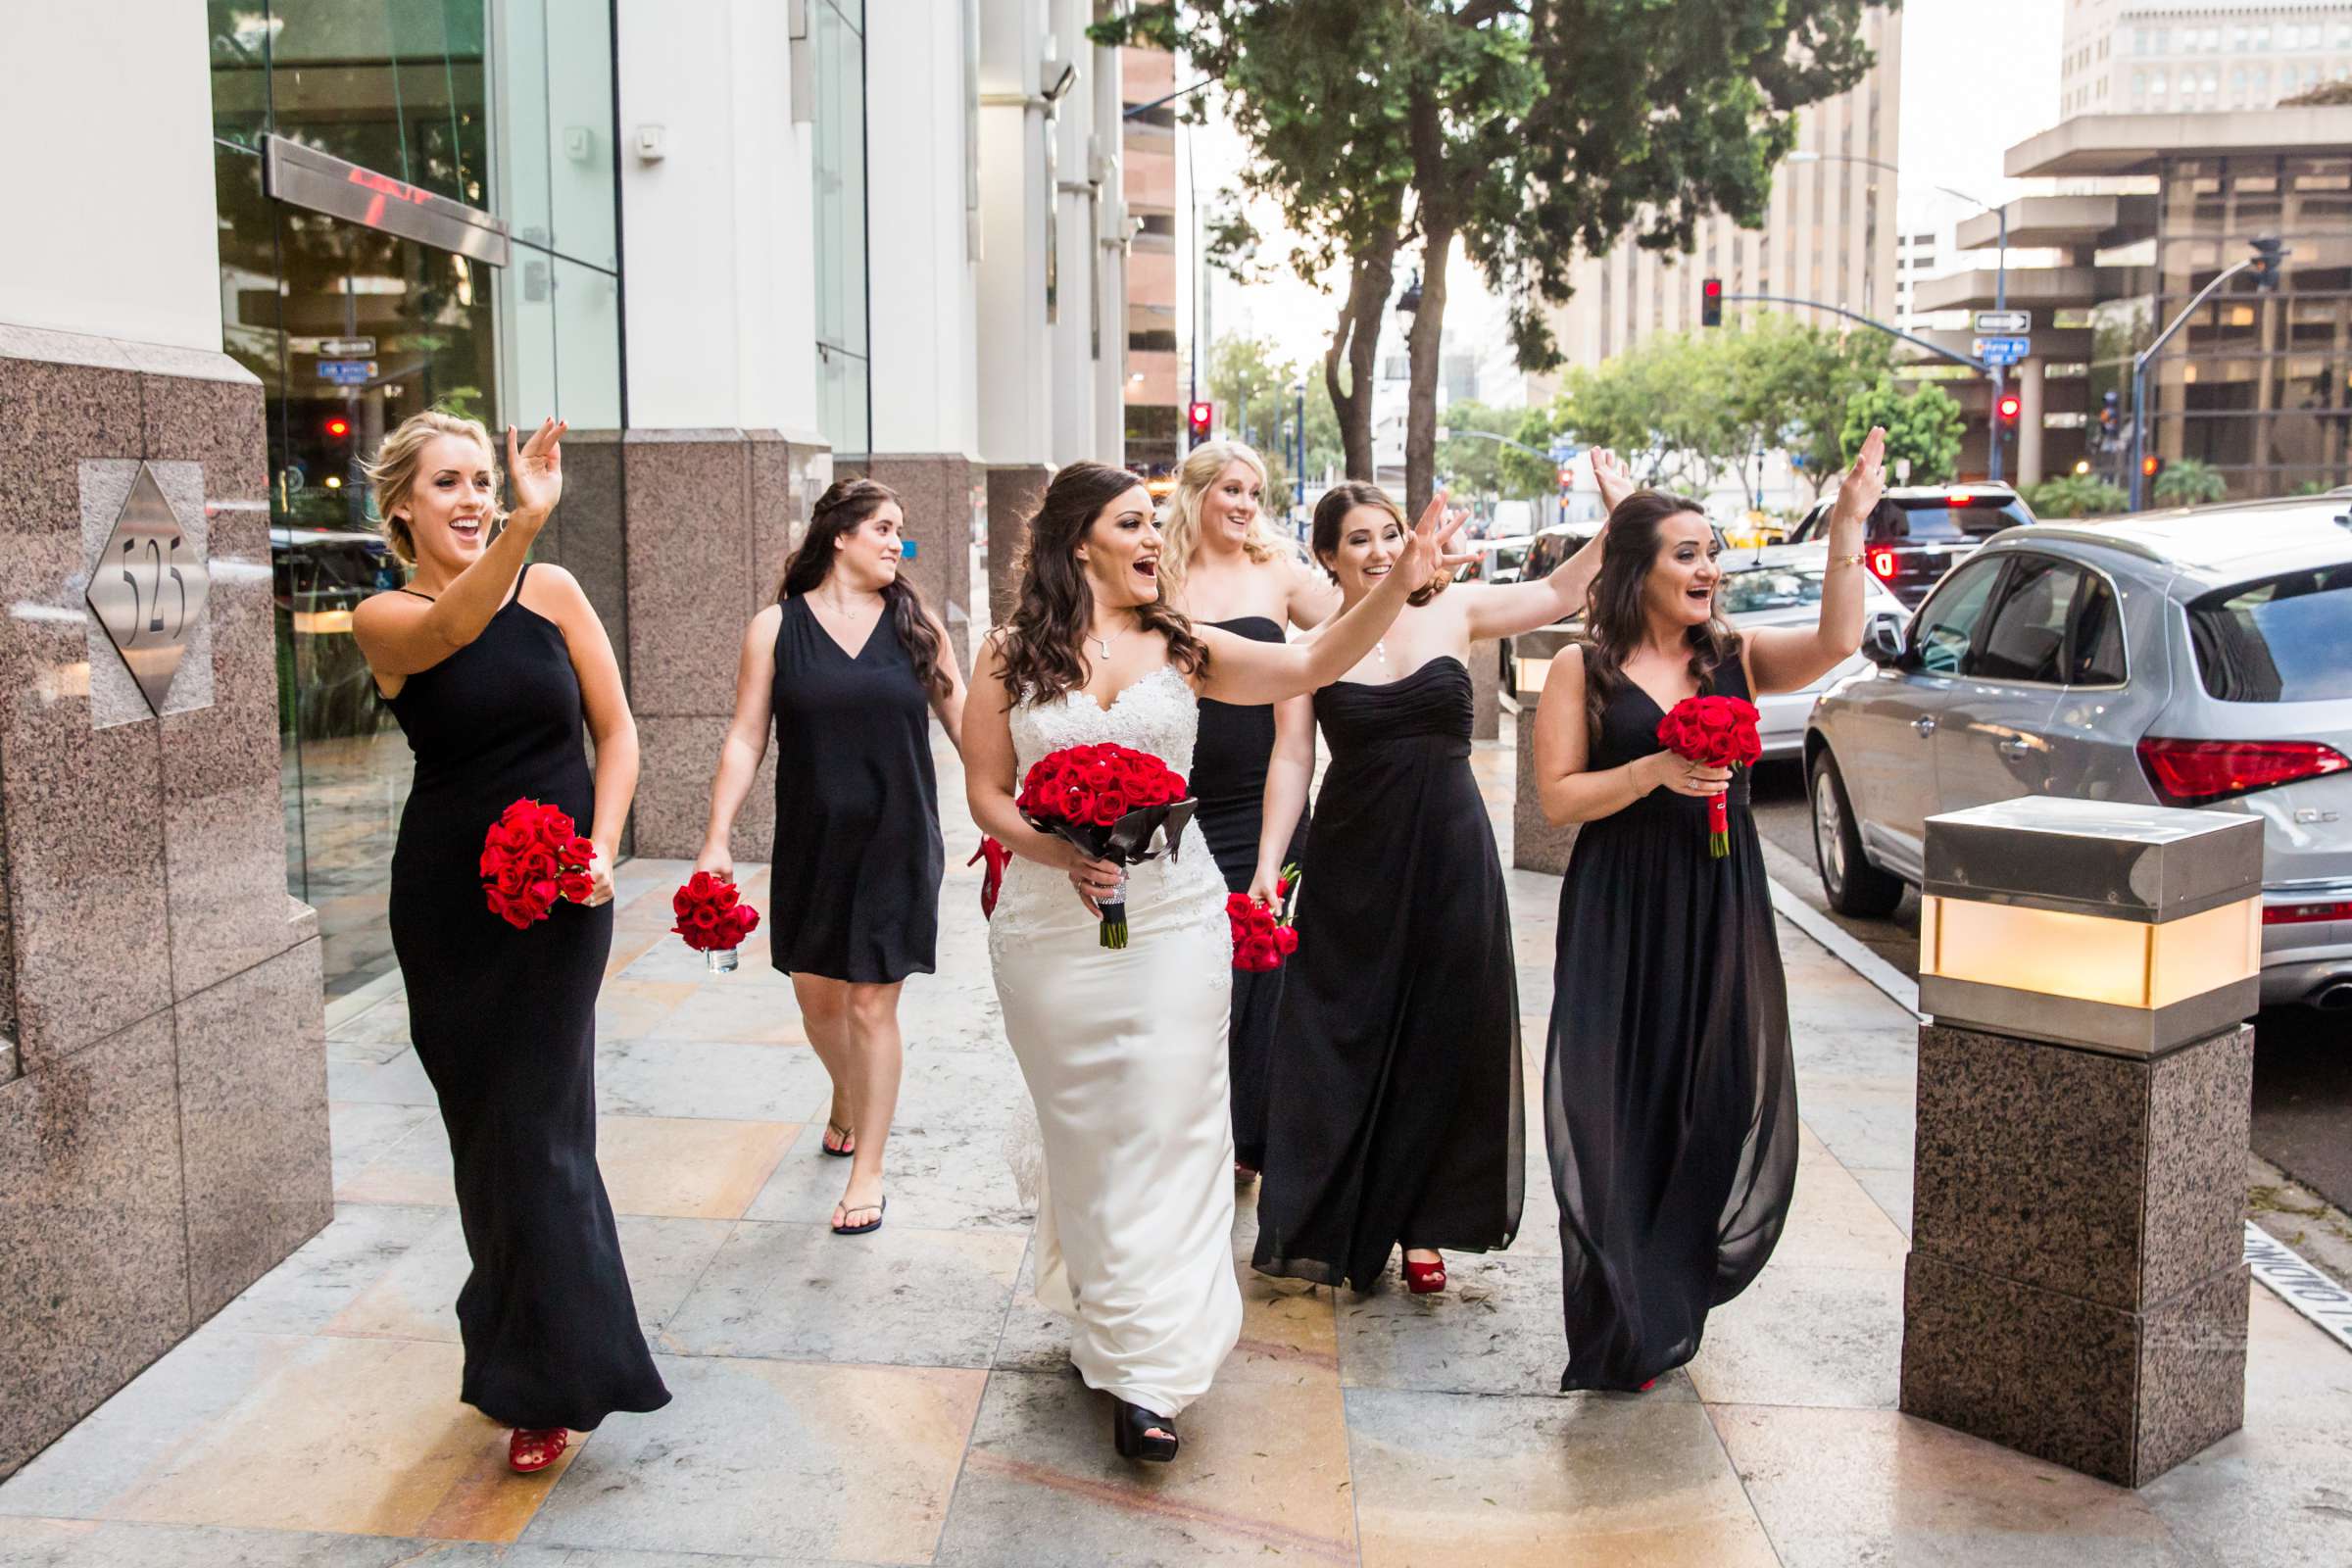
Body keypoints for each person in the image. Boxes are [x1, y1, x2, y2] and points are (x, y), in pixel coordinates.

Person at [965, 461, 1469, 1463]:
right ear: (1079, 544)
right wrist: (1058, 848)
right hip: (1049, 933)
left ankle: (1148, 1374)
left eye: (1157, 520)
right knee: (1092, 1137)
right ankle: (1109, 1311)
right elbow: (986, 791)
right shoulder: (1011, 655)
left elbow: (1314, 661)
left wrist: (1395, 580)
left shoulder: (1187, 648)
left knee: (1169, 1122)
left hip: (1171, 922)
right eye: (1132, 522)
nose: (1156, 536)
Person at [1532, 429, 1887, 1391]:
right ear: (1636, 569)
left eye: (1713, 550)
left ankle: (1673, 1279)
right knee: (1618, 1101)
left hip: (1718, 900)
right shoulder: (1584, 669)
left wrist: (1849, 522)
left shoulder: (1733, 655)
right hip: (1620, 901)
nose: (1710, 567)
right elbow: (1560, 799)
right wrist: (1653, 769)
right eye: (1686, 552)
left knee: (1717, 1094)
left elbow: (1837, 642)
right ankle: (1626, 1310)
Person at [352, 410, 669, 1474]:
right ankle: (514, 1338)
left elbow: (616, 729)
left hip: (561, 896)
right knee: (490, 1140)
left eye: (485, 480)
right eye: (448, 483)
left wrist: (605, 843)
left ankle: (549, 1381)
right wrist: (524, 532)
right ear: (401, 505)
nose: (475, 499)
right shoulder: (382, 615)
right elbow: (452, 634)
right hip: (448, 907)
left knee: (540, 1132)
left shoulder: (558, 593)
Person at [1249, 462, 1624, 1298]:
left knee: (1445, 1030)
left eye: (1390, 533)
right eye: (1360, 540)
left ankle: (1425, 1223)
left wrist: (1618, 516)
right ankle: (1341, 1214)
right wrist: (1272, 861)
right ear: (1327, 558)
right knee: (1340, 1032)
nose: (1382, 550)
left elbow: (1562, 592)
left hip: (1452, 849)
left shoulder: (1457, 609)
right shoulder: (1307, 648)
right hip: (1352, 857)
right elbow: (1292, 756)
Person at [695, 478, 964, 1237]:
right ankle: (848, 1098)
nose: (895, 543)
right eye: (883, 528)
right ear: (839, 536)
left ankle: (868, 1170)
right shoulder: (775, 629)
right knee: (817, 999)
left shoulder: (919, 628)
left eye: (900, 531)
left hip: (899, 838)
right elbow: (748, 736)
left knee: (873, 1002)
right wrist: (717, 835)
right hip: (812, 840)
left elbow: (968, 725)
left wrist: (1007, 818)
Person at [1154, 440, 1339, 1176]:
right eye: (1231, 488)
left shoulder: (1277, 570)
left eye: (1254, 493)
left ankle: (1250, 1143)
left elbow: (1356, 619)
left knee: (1262, 975)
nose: (1243, 505)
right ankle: (1193, 1128)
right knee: (1188, 971)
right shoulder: (1158, 573)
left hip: (1266, 801)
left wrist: (1418, 588)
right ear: (1196, 492)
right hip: (1176, 806)